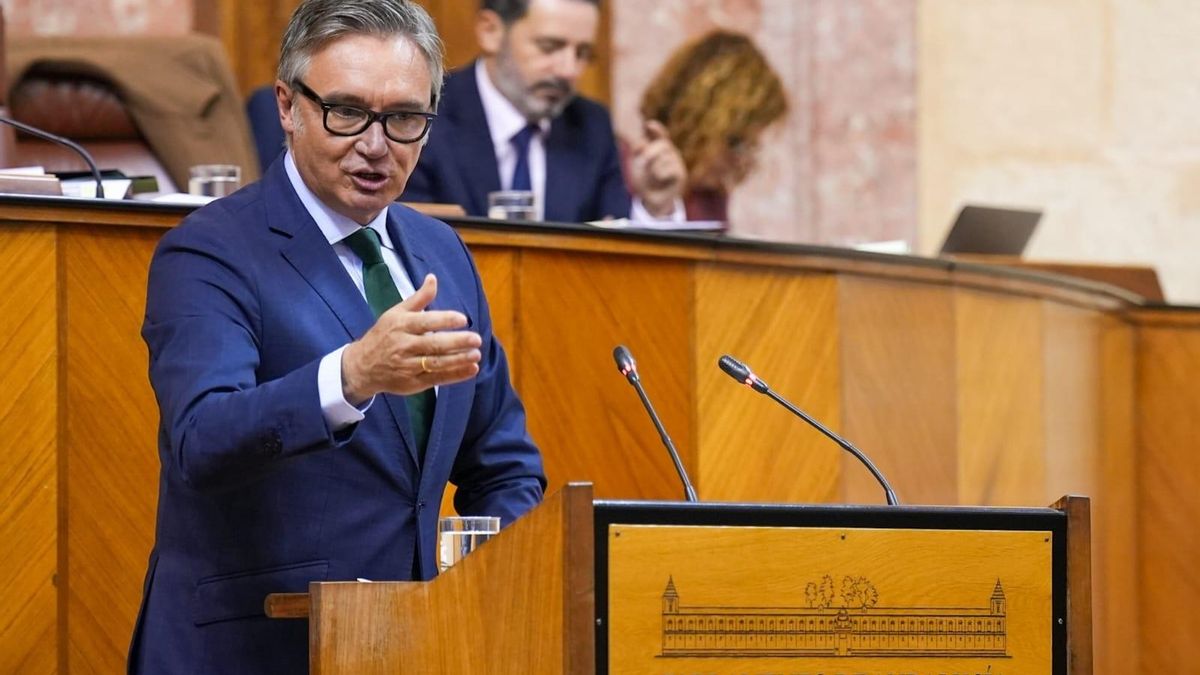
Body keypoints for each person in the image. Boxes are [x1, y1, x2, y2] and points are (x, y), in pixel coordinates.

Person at [127, 1, 546, 672]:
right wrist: (350, 376)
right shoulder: (210, 251)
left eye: (404, 118)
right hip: (252, 648)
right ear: (288, 106)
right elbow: (200, 441)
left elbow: (505, 466)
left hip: (411, 646)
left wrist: (482, 582)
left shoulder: (442, 256)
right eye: (346, 112)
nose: (376, 144)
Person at [401, 0, 687, 223]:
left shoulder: (591, 127)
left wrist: (655, 206)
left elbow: (616, 250)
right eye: (550, 47)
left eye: (582, 53)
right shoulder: (425, 113)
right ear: (491, 32)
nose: (568, 70)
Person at [638, 30, 787, 222]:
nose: (741, 161)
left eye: (751, 146)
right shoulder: (621, 180)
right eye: (735, 143)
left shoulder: (710, 198)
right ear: (696, 121)